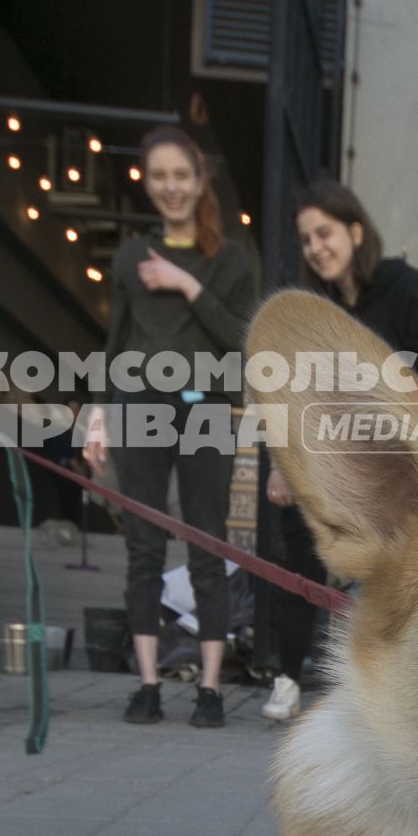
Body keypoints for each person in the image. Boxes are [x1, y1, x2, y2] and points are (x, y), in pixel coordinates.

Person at [260, 178, 418, 722]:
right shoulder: (319, 309)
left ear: (354, 230)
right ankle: (288, 677)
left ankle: (380, 691)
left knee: (380, 578)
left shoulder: (402, 286)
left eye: (323, 232)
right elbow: (290, 391)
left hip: (400, 470)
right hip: (327, 462)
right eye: (305, 240)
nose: (315, 248)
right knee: (296, 568)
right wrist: (282, 464)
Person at [85, 125, 258, 729]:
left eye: (180, 175)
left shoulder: (231, 258)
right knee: (143, 547)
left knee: (209, 542)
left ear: (200, 180)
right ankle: (149, 684)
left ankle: (209, 688)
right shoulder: (131, 255)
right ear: (147, 183)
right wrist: (98, 416)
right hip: (138, 404)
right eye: (158, 176)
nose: (170, 187)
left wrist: (187, 283)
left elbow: (241, 337)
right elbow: (116, 344)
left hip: (206, 404)